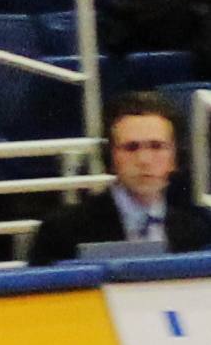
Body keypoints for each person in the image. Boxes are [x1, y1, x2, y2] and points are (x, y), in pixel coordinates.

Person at [27, 91, 211, 262]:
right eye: (131, 148)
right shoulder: (62, 230)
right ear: (110, 157)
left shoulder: (200, 228)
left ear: (176, 157)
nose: (144, 160)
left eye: (157, 147)